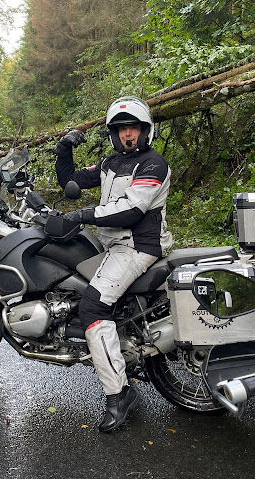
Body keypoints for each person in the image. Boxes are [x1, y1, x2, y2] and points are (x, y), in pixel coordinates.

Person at [54, 96, 172, 433]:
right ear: (113, 135)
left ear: (145, 131)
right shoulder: (110, 163)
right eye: (121, 129)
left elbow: (132, 211)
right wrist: (64, 150)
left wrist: (81, 215)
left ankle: (119, 394)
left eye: (133, 127)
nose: (128, 135)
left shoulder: (153, 164)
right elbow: (70, 181)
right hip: (113, 245)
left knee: (92, 306)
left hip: (137, 247)